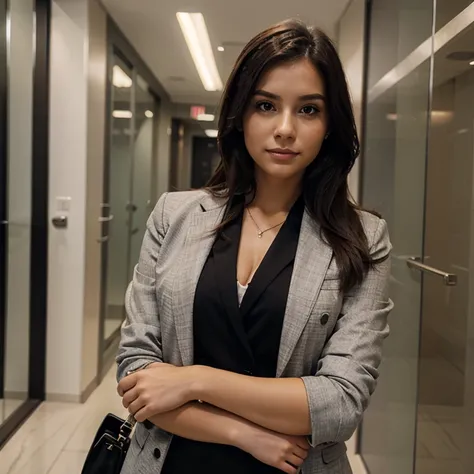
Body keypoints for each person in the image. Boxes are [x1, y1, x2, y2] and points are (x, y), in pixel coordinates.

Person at [116, 18, 392, 474]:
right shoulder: (174, 216)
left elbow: (341, 402)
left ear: (329, 125)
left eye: (308, 110)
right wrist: (245, 435)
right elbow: (136, 376)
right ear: (240, 115)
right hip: (173, 459)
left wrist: (194, 380)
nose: (285, 128)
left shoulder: (362, 239)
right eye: (266, 105)